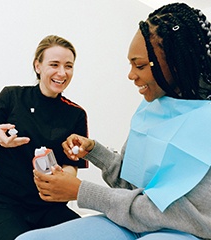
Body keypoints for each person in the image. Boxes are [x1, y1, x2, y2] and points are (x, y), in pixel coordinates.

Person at [15, 3, 211, 240]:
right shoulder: (151, 110)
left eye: (139, 65)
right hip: (135, 222)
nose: (131, 75)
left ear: (176, 63)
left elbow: (195, 219)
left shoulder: (205, 121)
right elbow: (132, 188)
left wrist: (82, 192)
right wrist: (95, 152)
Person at [0, 35, 88, 240]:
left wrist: (63, 174)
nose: (62, 73)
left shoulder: (76, 114)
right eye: (54, 64)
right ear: (38, 66)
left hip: (48, 207)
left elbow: (72, 166)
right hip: (0, 202)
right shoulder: (12, 97)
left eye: (68, 66)